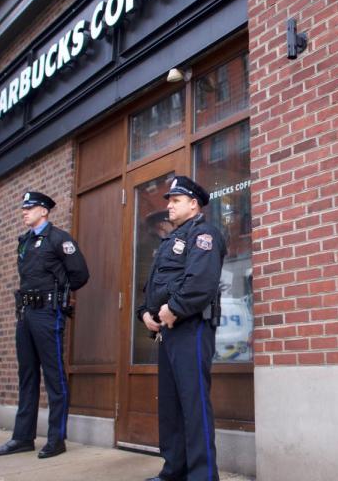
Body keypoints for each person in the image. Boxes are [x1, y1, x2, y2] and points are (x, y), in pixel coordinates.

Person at [137, 176, 227, 481]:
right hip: (168, 331)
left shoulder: (204, 235)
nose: (169, 205)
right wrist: (144, 314)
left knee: (194, 402)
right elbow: (153, 288)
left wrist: (173, 309)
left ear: (193, 203)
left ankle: (202, 475)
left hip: (192, 327)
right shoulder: (169, 242)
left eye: (175, 200)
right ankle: (173, 470)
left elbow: (201, 282)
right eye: (169, 200)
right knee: (171, 406)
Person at [0, 191, 90, 458]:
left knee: (54, 376)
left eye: (30, 208)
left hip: (48, 312)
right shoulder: (24, 241)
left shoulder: (59, 239)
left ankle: (56, 439)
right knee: (27, 376)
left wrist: (59, 294)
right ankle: (22, 437)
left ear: (44, 211)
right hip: (25, 314)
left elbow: (80, 273)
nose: (24, 212)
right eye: (24, 208)